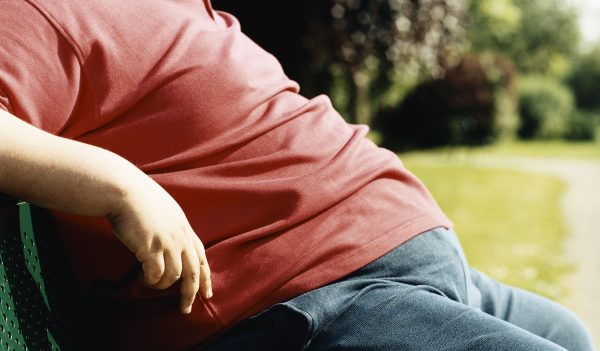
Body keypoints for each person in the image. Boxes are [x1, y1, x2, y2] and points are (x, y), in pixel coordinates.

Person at [0, 1, 594, 350]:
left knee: (569, 331)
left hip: (396, 257)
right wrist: (119, 184)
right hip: (311, 302)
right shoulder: (37, 15)